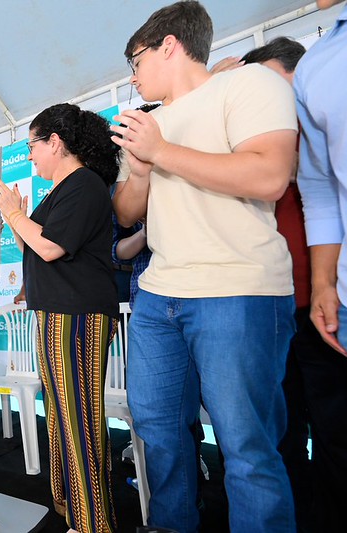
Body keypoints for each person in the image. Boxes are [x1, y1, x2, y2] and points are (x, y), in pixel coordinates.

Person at [110, 2, 298, 532]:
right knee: (158, 431)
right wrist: (141, 171)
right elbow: (125, 213)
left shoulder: (249, 84)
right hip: (157, 296)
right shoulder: (148, 125)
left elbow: (269, 176)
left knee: (246, 446)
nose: (133, 76)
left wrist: (161, 152)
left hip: (238, 287)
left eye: (136, 61)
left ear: (169, 45)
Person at [0, 104, 120, 533]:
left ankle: (93, 524)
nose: (29, 155)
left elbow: (50, 247)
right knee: (63, 420)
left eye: (33, 145)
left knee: (79, 422)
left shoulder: (84, 184)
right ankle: (72, 511)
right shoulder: (61, 190)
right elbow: (35, 247)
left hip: (76, 315)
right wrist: (15, 218)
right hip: (54, 313)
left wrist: (14, 213)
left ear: (56, 142)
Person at [294, 2, 347, 530]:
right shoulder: (318, 63)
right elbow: (321, 188)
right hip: (340, 298)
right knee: (335, 444)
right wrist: (325, 283)